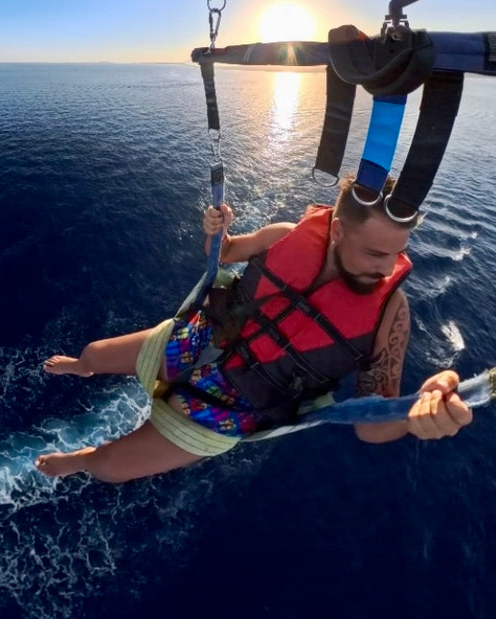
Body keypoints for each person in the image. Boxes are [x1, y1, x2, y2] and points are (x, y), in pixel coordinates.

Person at [35, 174, 471, 481]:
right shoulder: (285, 236)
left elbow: (370, 425)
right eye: (376, 253)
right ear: (337, 231)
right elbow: (224, 253)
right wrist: (216, 230)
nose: (389, 268)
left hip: (239, 402)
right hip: (199, 341)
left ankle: (81, 459)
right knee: (94, 354)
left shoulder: (390, 313)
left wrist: (415, 415)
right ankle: (80, 366)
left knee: (109, 467)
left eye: (397, 253)